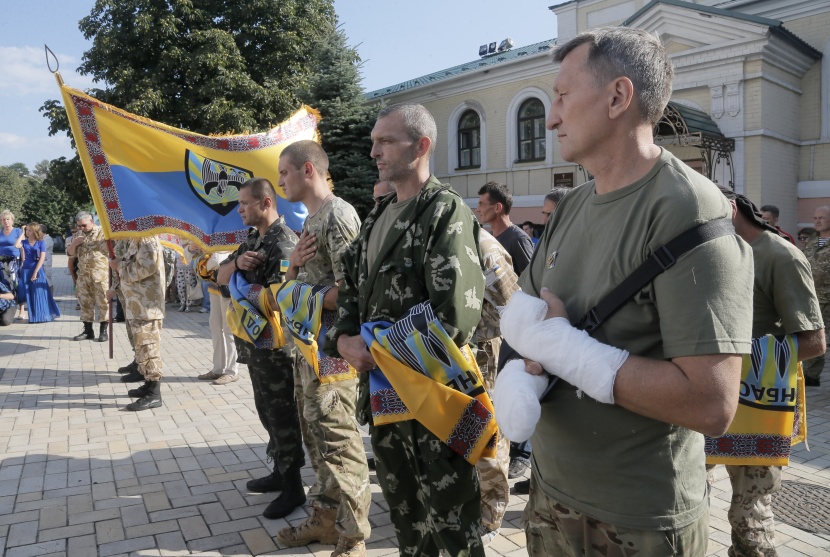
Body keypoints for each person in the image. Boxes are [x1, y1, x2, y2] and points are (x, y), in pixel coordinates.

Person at [501, 28, 753, 556]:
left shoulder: (686, 209)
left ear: (618, 96)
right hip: (550, 495)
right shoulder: (570, 206)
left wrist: (565, 350)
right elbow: (532, 326)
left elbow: (711, 404)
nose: (551, 117)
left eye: (564, 97)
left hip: (639, 520)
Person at [324, 103, 487, 557]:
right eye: (374, 140)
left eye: (386, 141)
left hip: (435, 403)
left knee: (452, 527)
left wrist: (371, 351)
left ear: (422, 146)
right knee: (408, 522)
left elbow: (454, 318)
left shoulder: (444, 213)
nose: (374, 150)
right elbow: (350, 293)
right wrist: (341, 339)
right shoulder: (377, 218)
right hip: (387, 405)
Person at [711, 187, 824, 557]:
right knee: (686, 492)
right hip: (710, 399)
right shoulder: (715, 251)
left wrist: (739, 359)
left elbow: (814, 342)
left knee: (749, 516)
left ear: (728, 209)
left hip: (759, 405)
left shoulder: (779, 255)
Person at [276, 140, 370, 557]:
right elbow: (301, 284)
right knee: (318, 441)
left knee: (340, 447)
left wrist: (296, 288)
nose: (280, 180)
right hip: (309, 353)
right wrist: (294, 270)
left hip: (333, 357)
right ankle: (326, 521)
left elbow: (355, 293)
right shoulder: (312, 221)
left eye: (285, 172)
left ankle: (354, 537)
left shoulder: (338, 215)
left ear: (309, 170)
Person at [216, 177, 304, 520]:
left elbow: (282, 300)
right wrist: (237, 267)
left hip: (277, 349)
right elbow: (220, 278)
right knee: (266, 411)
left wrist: (241, 289)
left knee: (283, 415)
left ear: (265, 203)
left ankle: (294, 486)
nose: (239, 210)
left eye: (244, 204)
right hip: (255, 345)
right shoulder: (253, 240)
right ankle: (281, 471)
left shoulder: (283, 244)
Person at [473, 228, 519, 545]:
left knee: (487, 433)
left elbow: (513, 305)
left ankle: (491, 515)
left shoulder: (483, 246)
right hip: (448, 351)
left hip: (481, 351)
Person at [107, 236, 167, 411]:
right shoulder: (136, 239)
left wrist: (119, 265)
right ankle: (148, 385)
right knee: (141, 347)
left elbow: (147, 268)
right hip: (136, 304)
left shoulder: (147, 239)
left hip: (147, 306)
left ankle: (154, 394)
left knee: (149, 349)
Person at [194, 250, 239, 385]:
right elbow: (198, 263)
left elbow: (218, 261)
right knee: (215, 329)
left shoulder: (236, 237)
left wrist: (209, 260)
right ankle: (218, 368)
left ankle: (232, 371)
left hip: (229, 289)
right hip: (214, 288)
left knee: (229, 330)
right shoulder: (213, 241)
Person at [67, 212, 110, 342]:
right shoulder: (77, 235)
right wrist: (74, 244)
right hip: (84, 275)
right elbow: (70, 254)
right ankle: (87, 330)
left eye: (84, 225)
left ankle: (103, 331)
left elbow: (111, 250)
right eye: (79, 226)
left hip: (99, 275)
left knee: (103, 302)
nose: (82, 228)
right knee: (85, 303)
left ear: (92, 221)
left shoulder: (103, 233)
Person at [476, 182, 534, 275]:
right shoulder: (490, 237)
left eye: (482, 204)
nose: (478, 209)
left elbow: (529, 281)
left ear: (498, 208)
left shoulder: (518, 239)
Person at [802, 206, 830, 386]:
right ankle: (812, 376)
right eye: (815, 217)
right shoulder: (812, 241)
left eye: (822, 218)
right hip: (812, 297)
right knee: (814, 335)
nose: (817, 221)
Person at [14, 223, 60, 323]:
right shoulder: (24, 242)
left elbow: (42, 258)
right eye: (27, 230)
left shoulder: (40, 242)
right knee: (28, 293)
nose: (27, 232)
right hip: (25, 270)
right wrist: (22, 232)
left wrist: (35, 272)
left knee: (38, 293)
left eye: (29, 230)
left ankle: (41, 316)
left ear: (35, 231)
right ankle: (32, 316)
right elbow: (16, 245)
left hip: (37, 270)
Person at [0, 210, 23, 299]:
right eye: (3, 219)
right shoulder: (0, 231)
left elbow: (23, 247)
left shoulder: (17, 231)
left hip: (13, 260)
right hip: (1, 260)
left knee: (14, 280)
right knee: (3, 280)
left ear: (12, 220)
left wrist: (24, 260)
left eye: (8, 219)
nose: (6, 221)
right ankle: (8, 299)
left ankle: (18, 299)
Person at [41, 225, 54, 294]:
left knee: (48, 279)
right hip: (41, 262)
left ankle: (50, 297)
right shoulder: (41, 239)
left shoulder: (47, 239)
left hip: (46, 262)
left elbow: (41, 248)